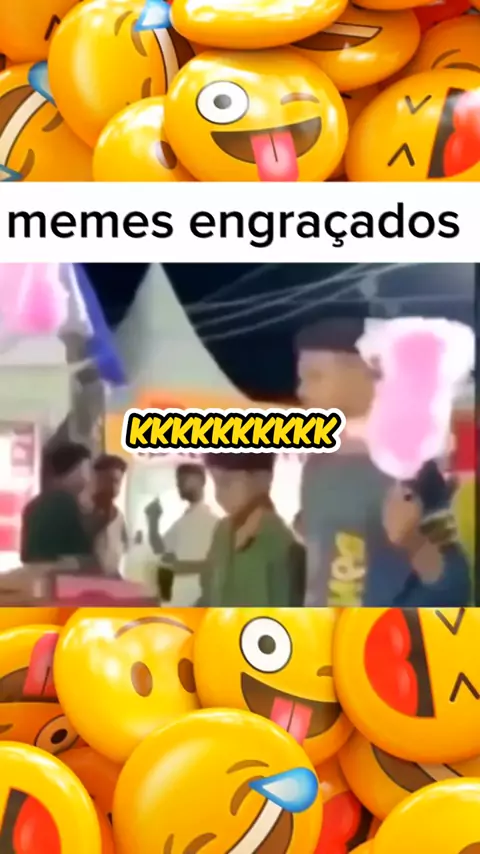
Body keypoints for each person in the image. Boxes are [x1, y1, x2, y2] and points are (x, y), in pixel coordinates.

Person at [296, 311, 471, 607]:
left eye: (315, 377)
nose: (302, 392)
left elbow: (454, 583)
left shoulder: (415, 472)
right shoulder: (316, 465)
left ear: (367, 374)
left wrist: (414, 543)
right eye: (301, 379)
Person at [198, 453, 305, 606]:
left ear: (263, 478)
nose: (219, 494)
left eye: (227, 482)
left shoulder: (282, 546)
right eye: (215, 482)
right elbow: (207, 596)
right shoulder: (221, 532)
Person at [144, 462, 219, 605]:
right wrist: (153, 522)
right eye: (179, 480)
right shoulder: (182, 522)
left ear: (202, 481)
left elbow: (215, 565)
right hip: (175, 601)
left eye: (185, 479)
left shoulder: (215, 523)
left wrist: (178, 567)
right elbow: (159, 549)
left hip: (197, 600)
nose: (180, 484)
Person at [20, 442, 95, 567]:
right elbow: (80, 552)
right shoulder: (65, 504)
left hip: (36, 573)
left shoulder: (34, 505)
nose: (89, 476)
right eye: (86, 469)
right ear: (73, 470)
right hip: (62, 575)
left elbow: (26, 556)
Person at [91, 454, 128, 575]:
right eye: (107, 480)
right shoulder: (83, 511)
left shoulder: (119, 518)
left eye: (117, 482)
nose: (112, 486)